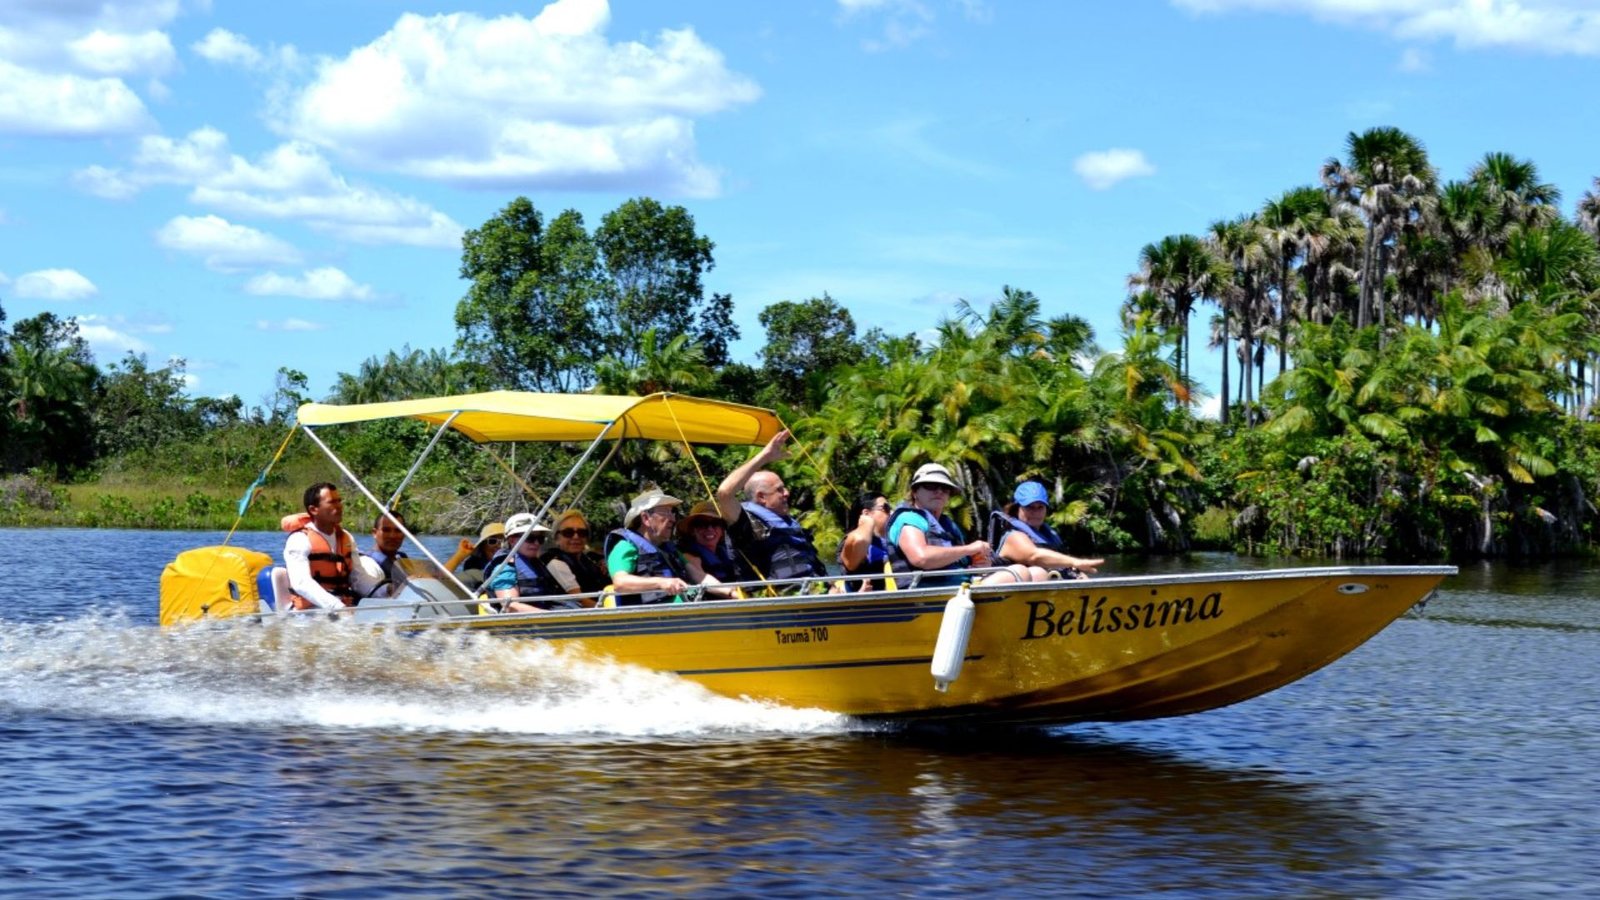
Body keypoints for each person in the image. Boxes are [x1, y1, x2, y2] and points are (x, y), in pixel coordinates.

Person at [714, 429, 834, 593]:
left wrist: (831, 587)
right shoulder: (746, 523)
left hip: (811, 593)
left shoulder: (789, 524)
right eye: (779, 489)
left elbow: (813, 564)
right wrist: (765, 456)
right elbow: (724, 493)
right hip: (773, 600)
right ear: (761, 497)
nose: (787, 493)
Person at [886, 464, 1040, 587]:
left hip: (958, 590)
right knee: (1018, 572)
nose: (939, 491)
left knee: (1038, 573)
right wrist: (970, 549)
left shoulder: (948, 525)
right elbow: (921, 558)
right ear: (915, 492)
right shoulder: (909, 518)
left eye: (945, 488)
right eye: (930, 486)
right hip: (927, 594)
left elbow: (961, 561)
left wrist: (979, 564)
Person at [283, 482, 383, 611]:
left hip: (343, 609)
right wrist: (337, 607)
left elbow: (358, 578)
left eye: (339, 501)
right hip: (309, 613)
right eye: (332, 502)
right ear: (313, 510)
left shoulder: (346, 537)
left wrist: (386, 593)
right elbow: (301, 583)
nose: (339, 506)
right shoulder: (299, 540)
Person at [991, 481, 1104, 578]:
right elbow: (1034, 556)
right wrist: (1076, 562)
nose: (1036, 512)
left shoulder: (1050, 535)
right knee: (1037, 573)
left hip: (1053, 592)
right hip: (1018, 591)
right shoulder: (1013, 536)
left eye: (1040, 507)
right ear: (1017, 509)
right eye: (1030, 507)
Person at [605, 489, 694, 605]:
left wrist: (719, 589)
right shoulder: (625, 546)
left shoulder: (670, 550)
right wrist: (661, 583)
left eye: (672, 513)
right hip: (651, 614)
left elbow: (699, 575)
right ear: (646, 518)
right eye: (666, 513)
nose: (673, 519)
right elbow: (620, 583)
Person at [482, 513, 579, 612]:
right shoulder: (505, 567)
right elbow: (510, 606)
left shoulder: (536, 563)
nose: (536, 543)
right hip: (531, 621)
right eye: (530, 538)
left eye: (540, 539)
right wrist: (553, 616)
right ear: (512, 540)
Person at [678, 500, 753, 598]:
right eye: (702, 524)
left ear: (722, 530)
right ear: (692, 530)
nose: (710, 529)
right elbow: (700, 577)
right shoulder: (690, 555)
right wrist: (735, 595)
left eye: (715, 523)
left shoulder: (727, 552)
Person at [541, 509, 609, 596]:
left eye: (582, 533)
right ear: (556, 538)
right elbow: (580, 599)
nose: (576, 537)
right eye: (568, 533)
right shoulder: (556, 563)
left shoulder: (589, 559)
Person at [838, 492, 891, 591]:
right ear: (866, 513)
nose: (890, 512)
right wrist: (867, 523)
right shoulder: (853, 539)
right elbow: (851, 563)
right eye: (886, 508)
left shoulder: (888, 540)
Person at [448, 521, 505, 590]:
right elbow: (445, 582)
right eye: (492, 541)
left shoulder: (514, 563)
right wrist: (459, 556)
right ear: (483, 545)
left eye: (503, 542)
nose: (498, 546)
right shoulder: (473, 565)